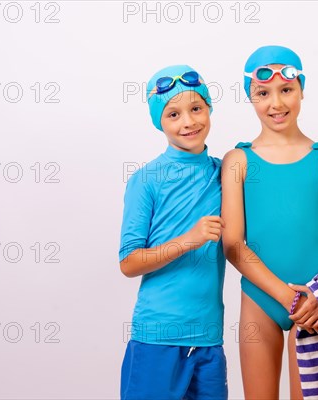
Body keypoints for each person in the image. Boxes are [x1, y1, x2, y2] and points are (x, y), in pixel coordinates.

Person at [221, 45, 318, 398]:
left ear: (302, 90)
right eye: (262, 93)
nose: (276, 103)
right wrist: (286, 297)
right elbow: (233, 244)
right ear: (250, 96)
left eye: (286, 90)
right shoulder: (238, 161)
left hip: (315, 301)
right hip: (260, 299)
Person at [118, 65, 227, 400]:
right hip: (157, 337)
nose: (188, 122)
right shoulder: (147, 179)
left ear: (209, 108)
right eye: (173, 114)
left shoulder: (226, 173)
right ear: (159, 123)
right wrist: (187, 240)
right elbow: (129, 262)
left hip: (209, 338)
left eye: (196, 108)